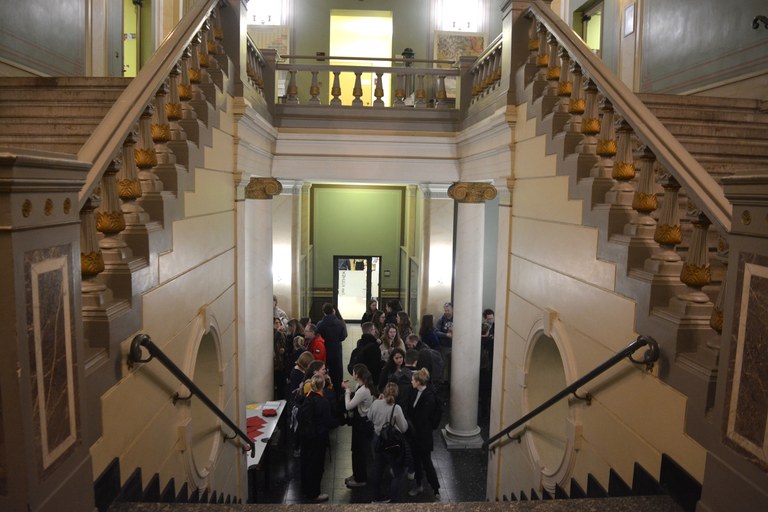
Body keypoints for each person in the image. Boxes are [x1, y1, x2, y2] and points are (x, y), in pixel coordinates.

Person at [368, 382, 409, 503]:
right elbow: (404, 428)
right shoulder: (396, 408)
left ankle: (377, 497)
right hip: (391, 443)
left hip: (377, 440)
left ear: (384, 392)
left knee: (378, 469)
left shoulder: (375, 403)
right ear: (396, 394)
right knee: (398, 472)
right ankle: (393, 501)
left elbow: (369, 417)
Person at [405, 368, 441, 500]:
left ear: (419, 382)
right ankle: (419, 484)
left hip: (423, 436)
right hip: (415, 434)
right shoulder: (414, 391)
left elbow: (423, 418)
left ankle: (435, 487)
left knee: (426, 462)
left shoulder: (429, 396)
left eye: (413, 379)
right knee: (416, 461)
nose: (411, 381)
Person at [299, 374, 335, 502]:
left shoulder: (307, 397)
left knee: (307, 464)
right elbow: (328, 422)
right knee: (317, 465)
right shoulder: (323, 402)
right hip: (318, 438)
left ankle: (305, 489)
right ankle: (314, 493)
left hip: (306, 437)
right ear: (322, 386)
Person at [342, 364, 377, 488]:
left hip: (362, 424)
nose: (352, 374)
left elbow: (348, 406)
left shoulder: (363, 390)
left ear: (357, 375)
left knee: (359, 452)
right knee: (356, 450)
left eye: (353, 372)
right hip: (362, 422)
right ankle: (356, 474)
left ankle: (360, 478)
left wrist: (346, 391)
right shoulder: (362, 386)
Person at [317, 302, 347, 398]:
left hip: (325, 350)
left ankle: (325, 392)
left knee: (324, 371)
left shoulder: (320, 324)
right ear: (333, 311)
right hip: (336, 350)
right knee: (337, 372)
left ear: (323, 312)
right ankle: (338, 393)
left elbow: (318, 336)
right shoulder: (339, 323)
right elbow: (343, 336)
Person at [435, 303, 454, 383]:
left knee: (453, 367)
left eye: (448, 310)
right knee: (442, 365)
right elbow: (436, 332)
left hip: (455, 347)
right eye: (445, 310)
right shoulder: (441, 319)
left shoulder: (458, 318)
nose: (447, 312)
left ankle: (452, 382)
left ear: (452, 309)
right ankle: (441, 383)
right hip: (444, 347)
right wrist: (446, 335)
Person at [273, 317, 289, 400]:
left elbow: (286, 345)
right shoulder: (272, 333)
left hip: (282, 362)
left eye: (279, 322)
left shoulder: (283, 334)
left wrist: (284, 349)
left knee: (282, 386)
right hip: (275, 363)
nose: (278, 324)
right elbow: (272, 342)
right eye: (275, 323)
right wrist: (278, 332)